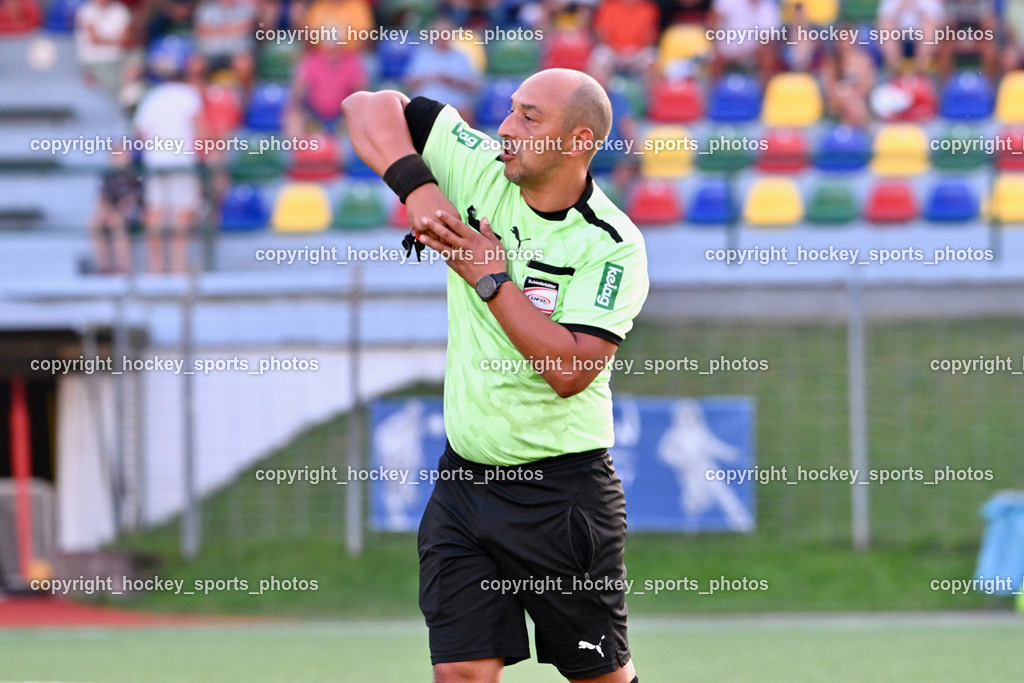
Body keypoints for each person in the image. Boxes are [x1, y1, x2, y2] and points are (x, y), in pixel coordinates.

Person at [343, 68, 648, 683]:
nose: (507, 127)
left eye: (530, 117)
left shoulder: (612, 244)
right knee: (460, 672)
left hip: (561, 494)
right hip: (463, 482)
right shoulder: (480, 166)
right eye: (511, 110)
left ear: (578, 140)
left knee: (598, 677)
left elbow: (569, 370)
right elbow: (367, 105)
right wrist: (416, 187)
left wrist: (490, 278)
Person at [133, 58, 203, 273]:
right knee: (181, 212)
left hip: (156, 161)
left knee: (155, 211)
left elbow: (140, 134)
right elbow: (200, 130)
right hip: (182, 161)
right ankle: (178, 264)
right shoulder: (189, 95)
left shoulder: (151, 98)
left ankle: (156, 266)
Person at [403, 17, 481, 120]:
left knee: (466, 112)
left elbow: (474, 86)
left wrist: (453, 81)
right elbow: (408, 83)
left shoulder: (462, 56)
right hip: (427, 105)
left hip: (455, 106)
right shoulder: (422, 55)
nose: (442, 37)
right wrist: (430, 78)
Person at [89, 143, 142, 274]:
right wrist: (107, 212)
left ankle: (123, 267)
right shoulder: (108, 176)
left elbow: (133, 200)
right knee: (94, 222)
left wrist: (116, 212)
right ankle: (104, 266)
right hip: (113, 212)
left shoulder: (136, 175)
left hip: (133, 214)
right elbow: (103, 198)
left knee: (116, 221)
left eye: (121, 154)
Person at [73, 0, 132, 99]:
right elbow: (95, 40)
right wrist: (116, 40)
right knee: (111, 82)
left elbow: (126, 40)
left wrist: (104, 39)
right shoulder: (86, 11)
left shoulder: (121, 10)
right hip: (94, 61)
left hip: (120, 59)